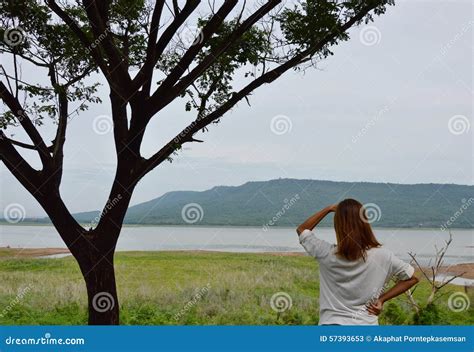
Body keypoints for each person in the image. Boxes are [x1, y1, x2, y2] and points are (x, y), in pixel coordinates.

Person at [296, 198, 419, 325]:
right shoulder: (383, 256)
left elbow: (302, 230)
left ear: (338, 226)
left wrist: (329, 209)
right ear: (365, 224)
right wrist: (381, 300)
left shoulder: (325, 252)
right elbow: (412, 279)